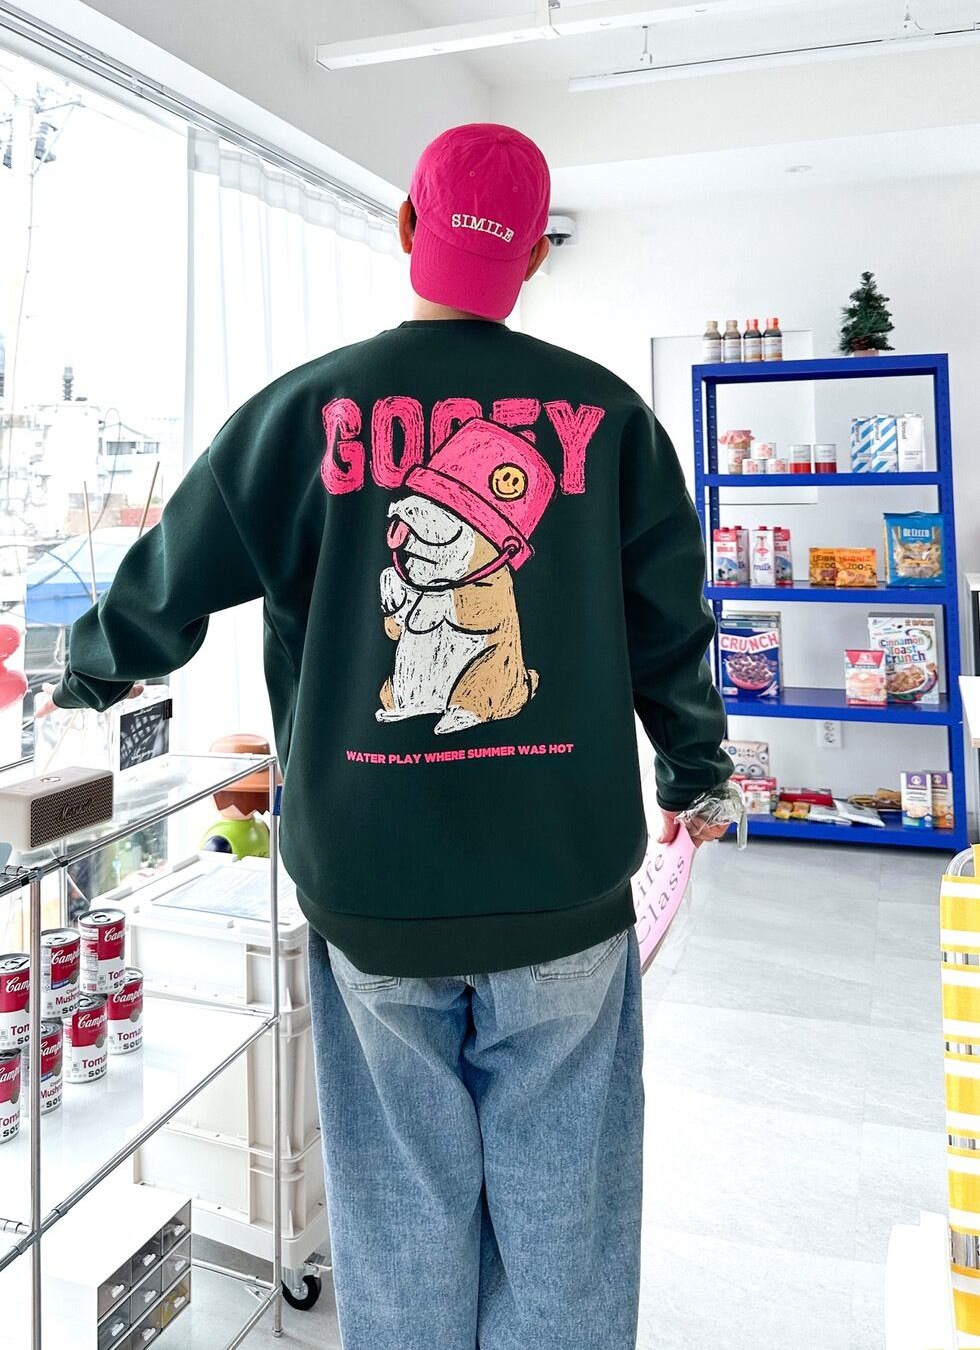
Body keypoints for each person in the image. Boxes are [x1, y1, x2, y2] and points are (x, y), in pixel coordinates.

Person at [48, 123, 735, 1350]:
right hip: (561, 879)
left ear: (408, 226)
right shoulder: (610, 415)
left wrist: (85, 677)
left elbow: (167, 579)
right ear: (533, 255)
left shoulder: (303, 412)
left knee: (400, 1208)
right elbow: (668, 624)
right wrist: (696, 770)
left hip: (372, 887)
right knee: (565, 1215)